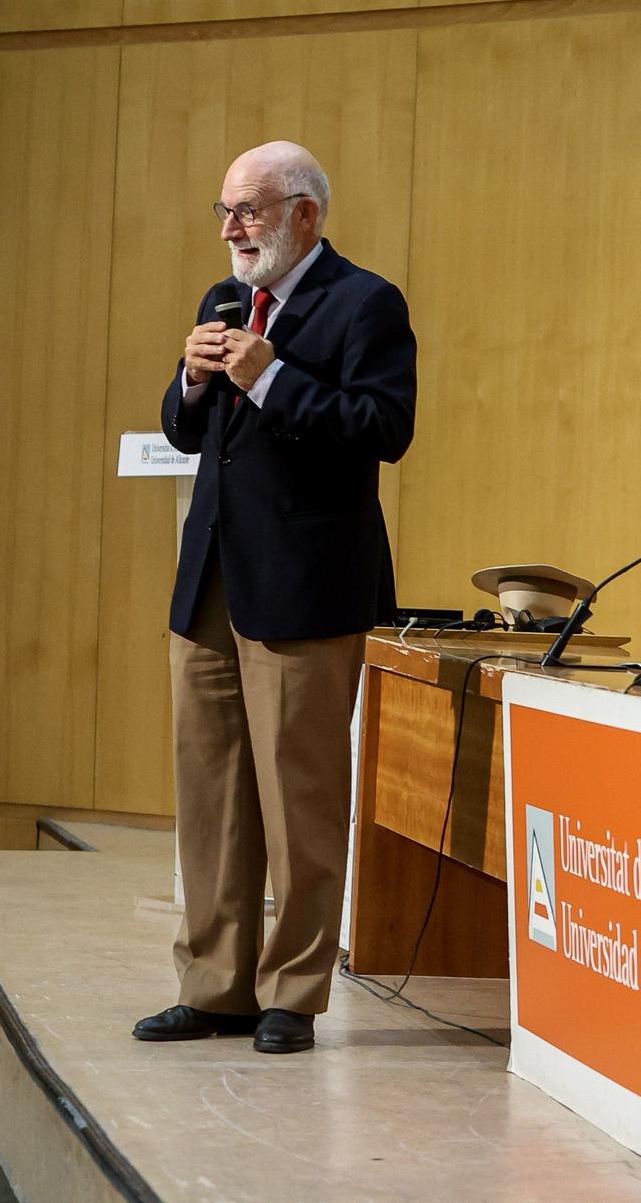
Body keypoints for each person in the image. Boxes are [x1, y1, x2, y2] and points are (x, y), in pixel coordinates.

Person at [133, 142, 418, 1054]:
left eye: (248, 211)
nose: (230, 231)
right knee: (211, 792)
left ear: (306, 214)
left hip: (306, 587)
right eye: (224, 212)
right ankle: (214, 986)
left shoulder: (365, 303)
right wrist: (191, 377)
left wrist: (269, 376)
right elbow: (187, 431)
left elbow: (384, 428)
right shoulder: (223, 302)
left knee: (299, 799)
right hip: (211, 581)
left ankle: (291, 991)